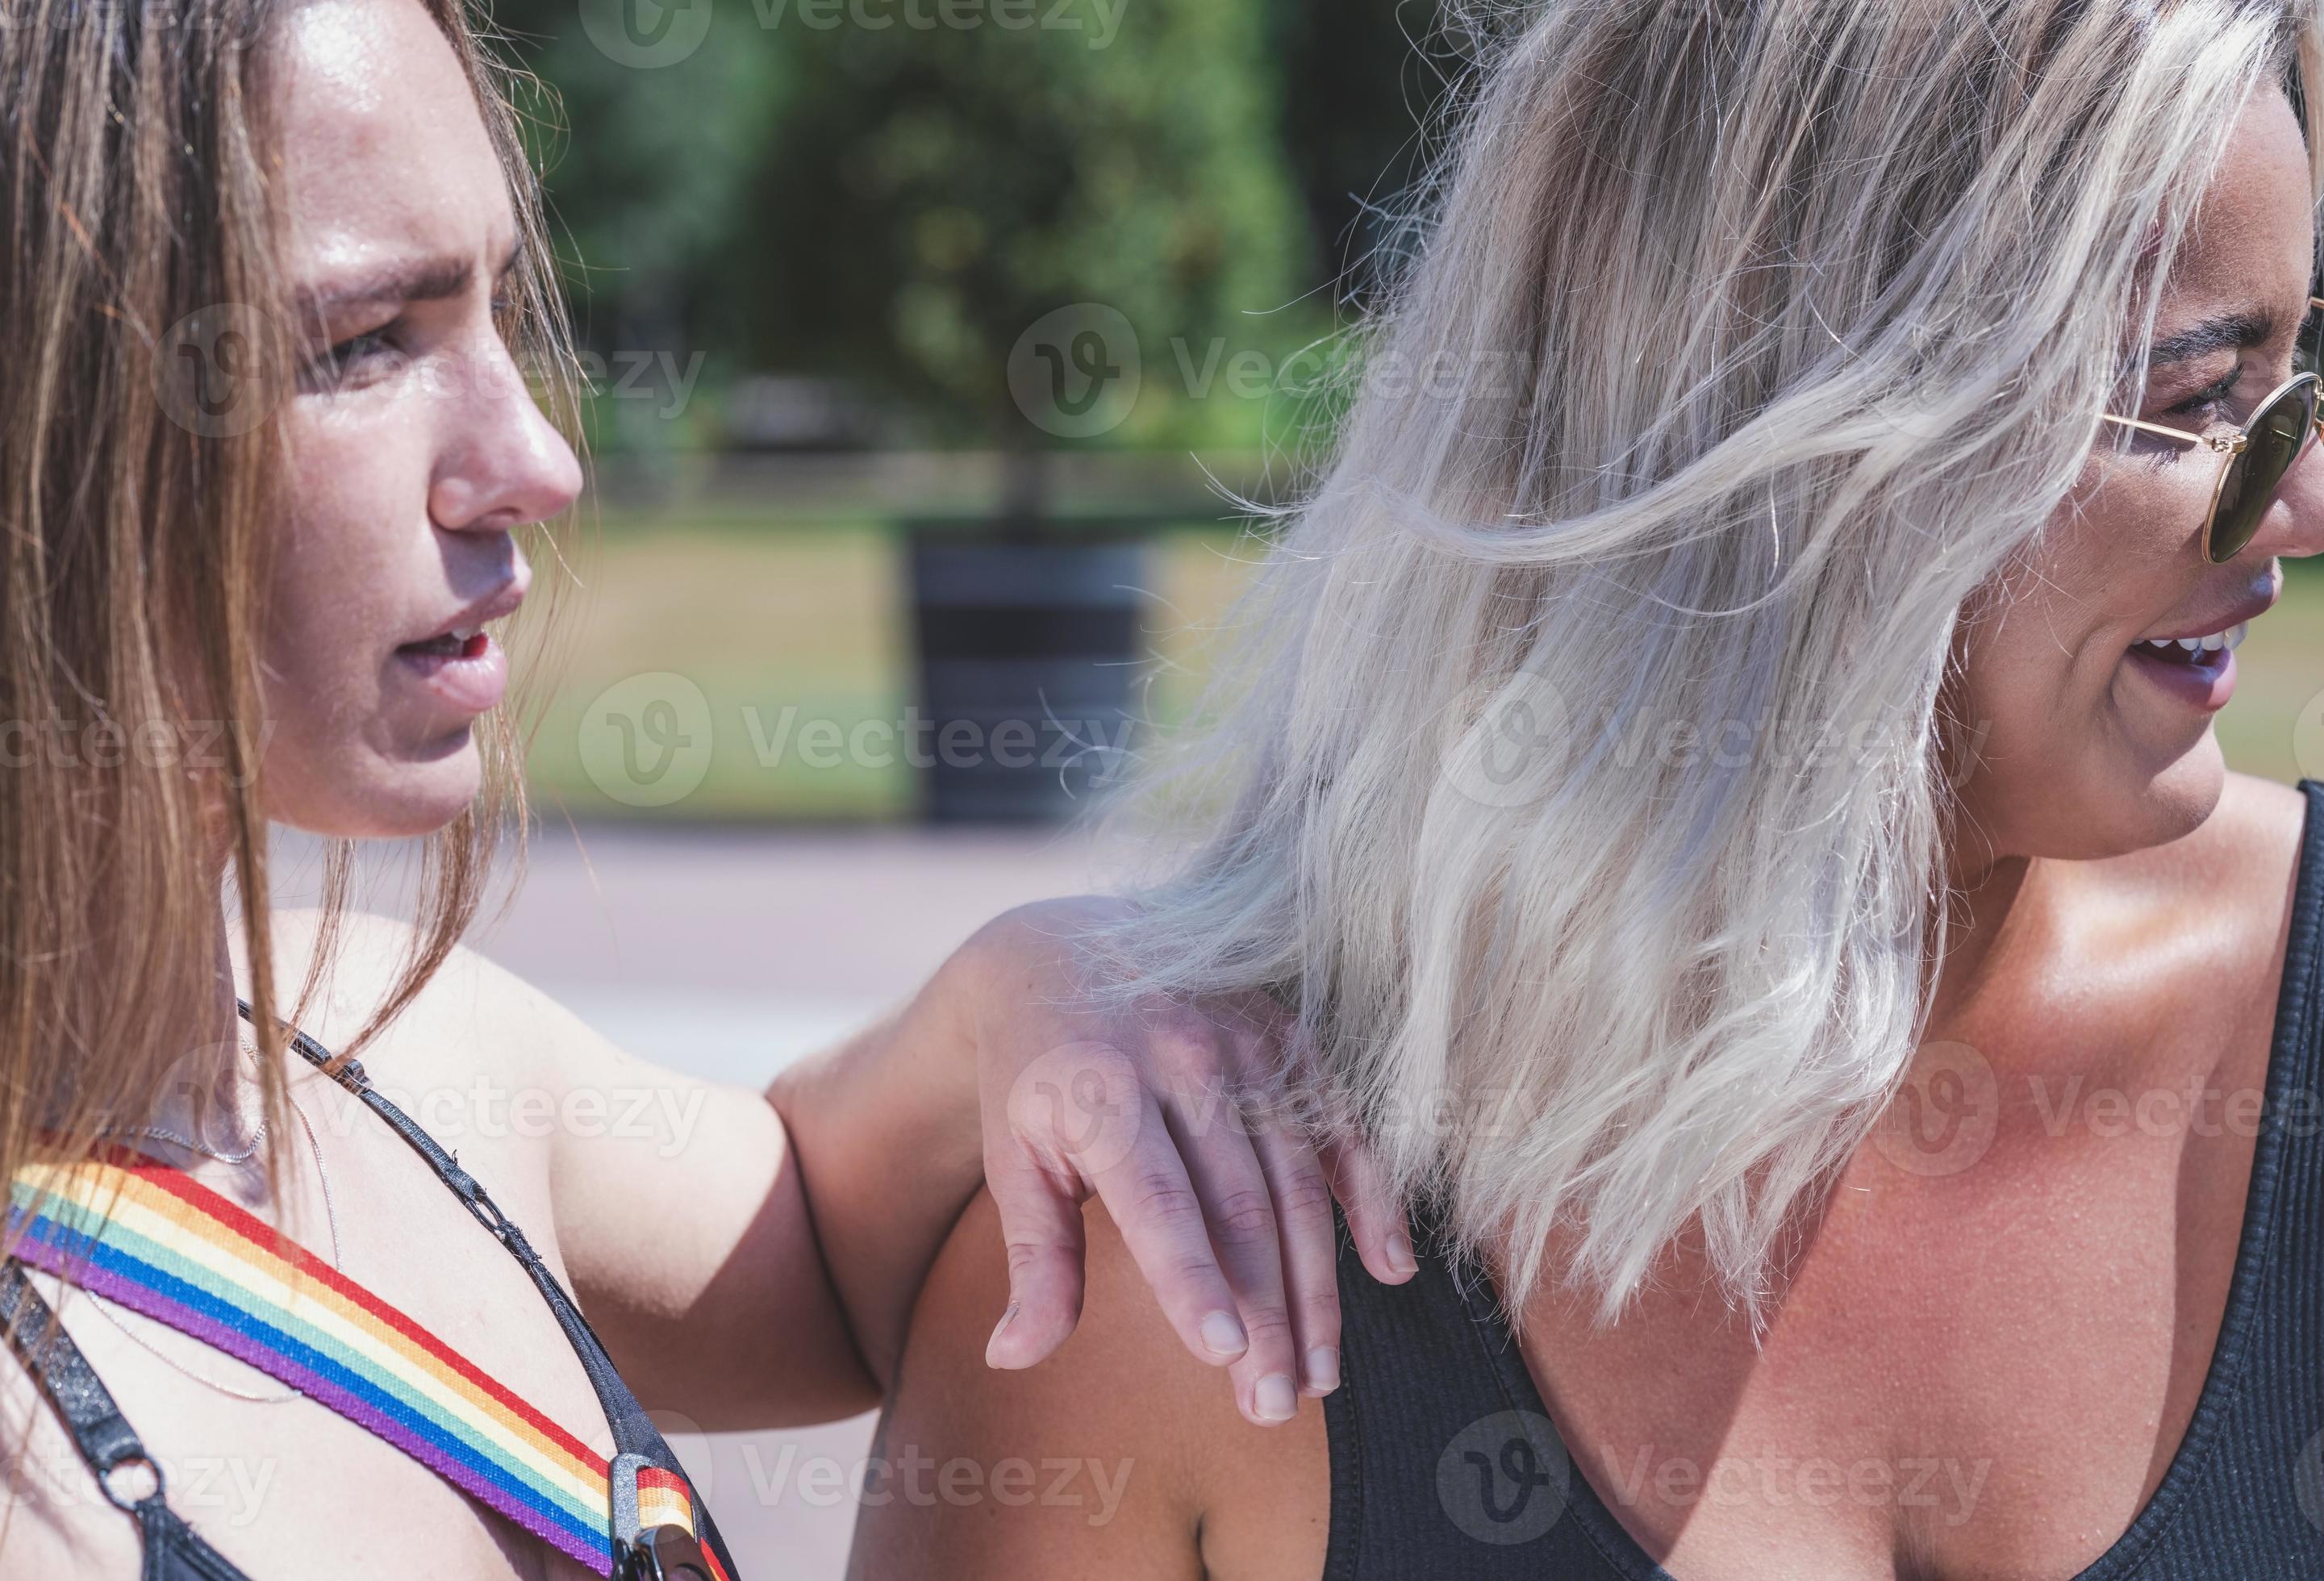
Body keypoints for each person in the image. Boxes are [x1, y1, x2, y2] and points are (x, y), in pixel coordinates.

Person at [862, 1, 2324, 1575]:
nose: (2312, 509)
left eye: (2311, 374)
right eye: (2198, 399)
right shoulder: (1186, 1238)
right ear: (1768, 446)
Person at [0, 0, 1408, 1574]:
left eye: (501, 315)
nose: (537, 456)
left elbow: (815, 1249)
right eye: (363, 344)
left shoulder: (383, 1041)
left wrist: (1042, 983)